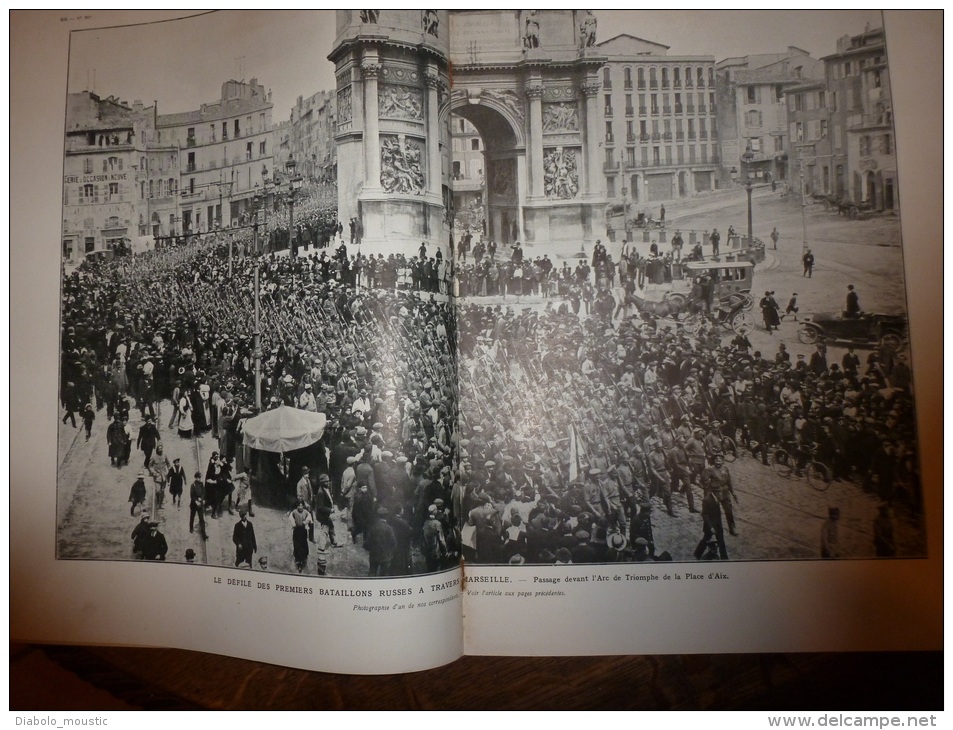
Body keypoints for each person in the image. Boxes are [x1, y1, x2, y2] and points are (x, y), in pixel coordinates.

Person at [289, 500, 314, 572]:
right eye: (299, 505)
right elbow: (291, 518)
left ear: (303, 506)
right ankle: (298, 561)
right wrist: (293, 523)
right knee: (297, 544)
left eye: (301, 505)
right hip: (296, 531)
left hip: (303, 531)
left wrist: (306, 521)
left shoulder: (306, 512)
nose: (300, 507)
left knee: (303, 544)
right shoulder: (294, 512)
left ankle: (303, 558)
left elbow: (309, 518)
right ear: (297, 506)